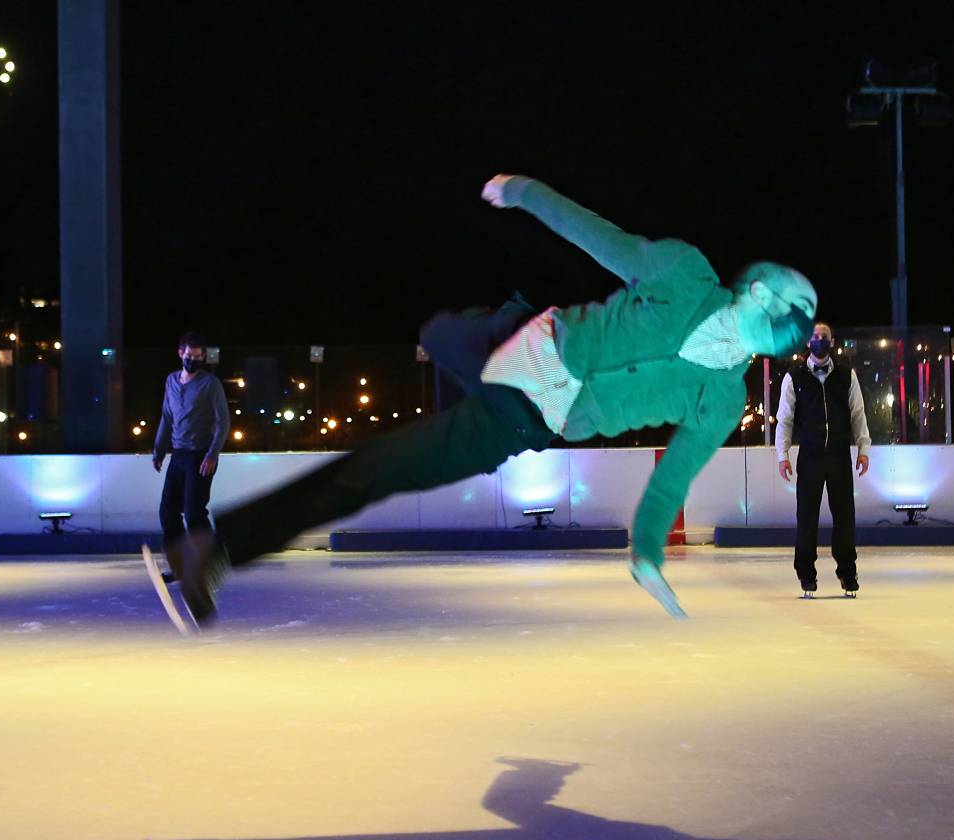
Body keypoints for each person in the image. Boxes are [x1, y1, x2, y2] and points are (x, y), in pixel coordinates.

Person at [171, 174, 817, 625]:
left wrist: (646, 549)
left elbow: (672, 479)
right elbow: (598, 236)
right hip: (522, 346)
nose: (798, 326)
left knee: (378, 470)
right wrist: (525, 193)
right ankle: (456, 331)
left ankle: (216, 553)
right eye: (794, 307)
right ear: (759, 292)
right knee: (436, 332)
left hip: (528, 415)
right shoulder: (685, 273)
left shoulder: (723, 397)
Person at [775, 322, 870, 597]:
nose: (819, 341)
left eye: (824, 337)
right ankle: (806, 574)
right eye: (815, 337)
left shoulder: (846, 375)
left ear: (832, 341)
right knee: (806, 516)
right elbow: (785, 420)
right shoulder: (794, 377)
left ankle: (847, 572)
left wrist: (863, 448)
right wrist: (783, 455)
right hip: (811, 456)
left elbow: (858, 414)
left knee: (845, 516)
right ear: (808, 342)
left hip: (839, 455)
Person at [153, 332, 230, 582]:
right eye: (189, 356)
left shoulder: (210, 384)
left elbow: (223, 422)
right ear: (180, 354)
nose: (192, 361)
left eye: (198, 357)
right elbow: (166, 416)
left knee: (194, 512)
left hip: (201, 456)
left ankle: (211, 560)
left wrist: (212, 454)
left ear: (204, 357)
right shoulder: (171, 381)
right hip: (178, 454)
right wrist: (159, 450)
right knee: (168, 511)